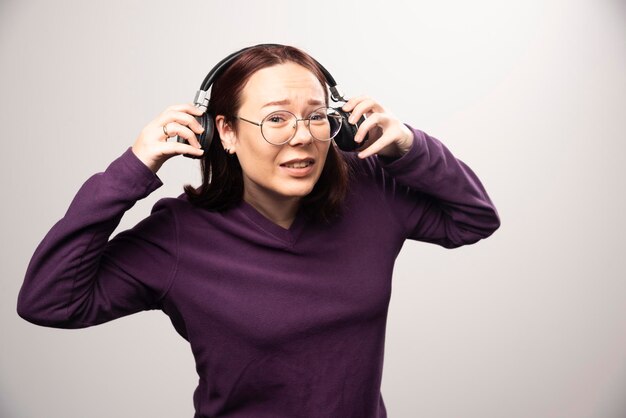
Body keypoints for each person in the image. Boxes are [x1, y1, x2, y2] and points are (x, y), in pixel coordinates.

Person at [16, 44, 501, 417]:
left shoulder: (369, 188)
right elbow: (50, 301)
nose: (303, 134)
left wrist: (409, 147)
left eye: (317, 115)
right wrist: (134, 167)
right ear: (223, 132)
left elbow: (473, 217)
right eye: (276, 119)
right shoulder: (178, 236)